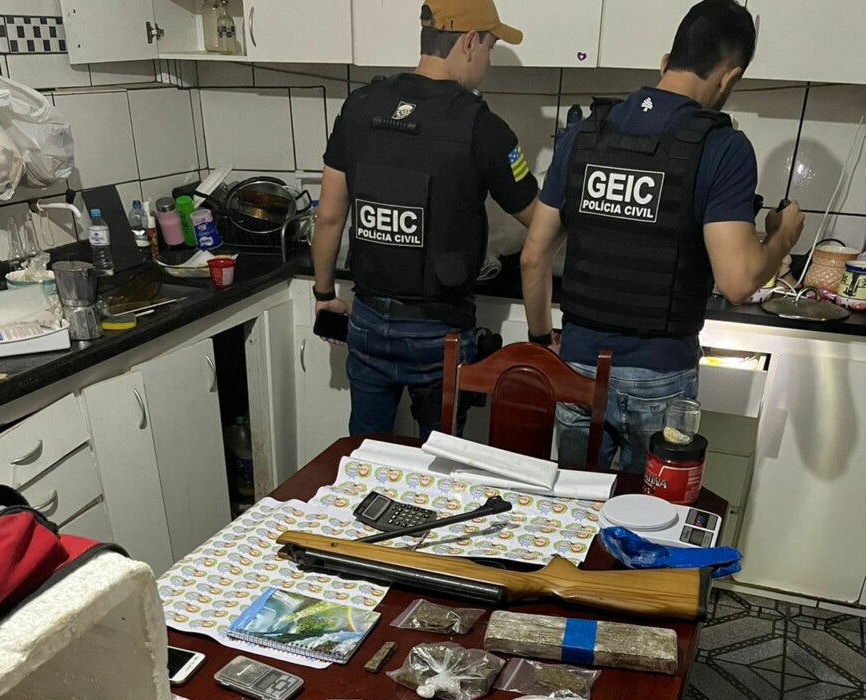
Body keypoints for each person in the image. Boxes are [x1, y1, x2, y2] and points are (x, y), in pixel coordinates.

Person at [520, 0, 805, 472]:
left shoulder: (584, 134)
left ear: (666, 61)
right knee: (650, 513)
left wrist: (539, 340)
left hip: (576, 366)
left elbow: (533, 257)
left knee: (573, 502)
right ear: (729, 77)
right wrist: (782, 238)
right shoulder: (723, 147)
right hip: (660, 376)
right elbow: (738, 281)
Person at [310, 0, 539, 440]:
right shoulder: (482, 127)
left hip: (367, 320)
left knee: (366, 454)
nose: (489, 60)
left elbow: (329, 217)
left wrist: (323, 294)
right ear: (469, 42)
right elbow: (539, 221)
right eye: (490, 47)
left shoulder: (358, 107)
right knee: (441, 463)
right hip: (440, 335)